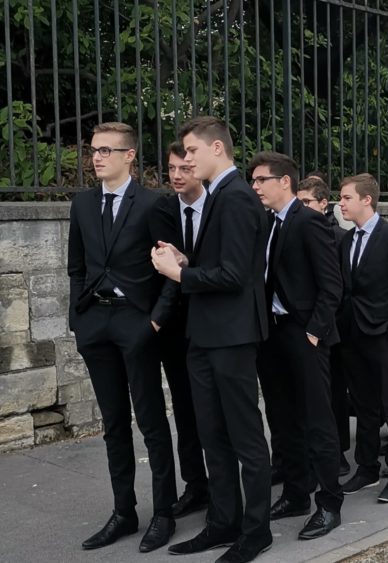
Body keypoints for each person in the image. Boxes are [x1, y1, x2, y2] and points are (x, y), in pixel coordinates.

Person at [153, 116, 273, 562]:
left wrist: (180, 273)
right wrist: (187, 258)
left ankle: (256, 532)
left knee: (244, 437)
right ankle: (223, 522)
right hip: (204, 335)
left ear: (217, 149)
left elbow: (237, 274)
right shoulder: (220, 195)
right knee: (212, 435)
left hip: (232, 336)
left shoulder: (238, 198)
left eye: (192, 152)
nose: (186, 160)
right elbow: (219, 262)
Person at [69, 122, 177, 553]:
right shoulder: (81, 204)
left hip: (138, 325)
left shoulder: (153, 204)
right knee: (112, 424)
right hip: (96, 326)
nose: (96, 157)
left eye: (106, 151)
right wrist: (79, 321)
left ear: (129, 156)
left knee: (151, 423)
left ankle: (165, 512)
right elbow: (76, 266)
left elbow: (172, 270)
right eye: (93, 150)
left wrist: (154, 321)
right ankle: (124, 512)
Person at [247, 152, 344, 540]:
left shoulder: (309, 222)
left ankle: (329, 502)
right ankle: (296, 493)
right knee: (282, 417)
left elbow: (331, 284)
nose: (254, 187)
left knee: (317, 419)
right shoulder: (267, 222)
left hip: (305, 333)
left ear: (284, 181)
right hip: (273, 332)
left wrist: (314, 332)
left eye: (260, 180)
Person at [336, 173, 388, 503]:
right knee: (364, 405)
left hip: (384, 335)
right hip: (353, 335)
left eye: (345, 198)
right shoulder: (346, 240)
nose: (340, 204)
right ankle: (367, 468)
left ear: (366, 200)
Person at [149, 141, 209, 520]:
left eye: (184, 168)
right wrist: (161, 318)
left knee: (214, 412)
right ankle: (196, 486)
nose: (176, 175)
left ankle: (225, 486)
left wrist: (159, 312)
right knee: (185, 412)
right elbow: (163, 265)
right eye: (171, 168)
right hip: (175, 329)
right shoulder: (163, 209)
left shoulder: (217, 207)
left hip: (210, 322)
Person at [294, 176, 351, 477]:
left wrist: (325, 323)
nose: (301, 207)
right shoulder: (293, 230)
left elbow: (339, 285)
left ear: (322, 204)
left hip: (330, 327)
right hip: (307, 327)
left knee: (334, 395)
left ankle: (337, 452)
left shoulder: (339, 236)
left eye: (306, 202)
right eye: (299, 201)